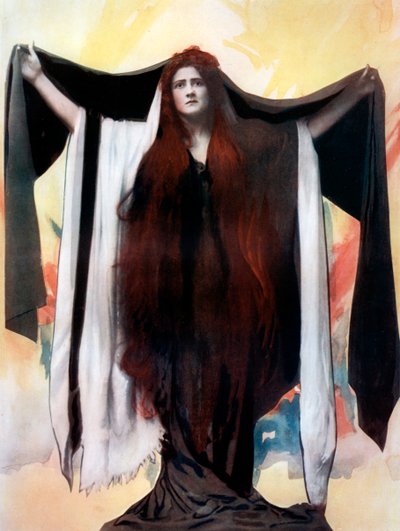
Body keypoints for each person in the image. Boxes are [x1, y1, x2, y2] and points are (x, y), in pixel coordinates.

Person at [11, 44, 396, 529]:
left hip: (235, 317)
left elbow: (302, 138)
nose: (189, 91)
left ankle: (226, 495)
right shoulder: (148, 148)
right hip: (171, 317)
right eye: (180, 84)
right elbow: (89, 130)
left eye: (196, 83)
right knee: (181, 404)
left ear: (212, 90)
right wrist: (37, 78)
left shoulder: (248, 147)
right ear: (169, 96)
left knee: (230, 406)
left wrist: (353, 96)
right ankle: (188, 496)